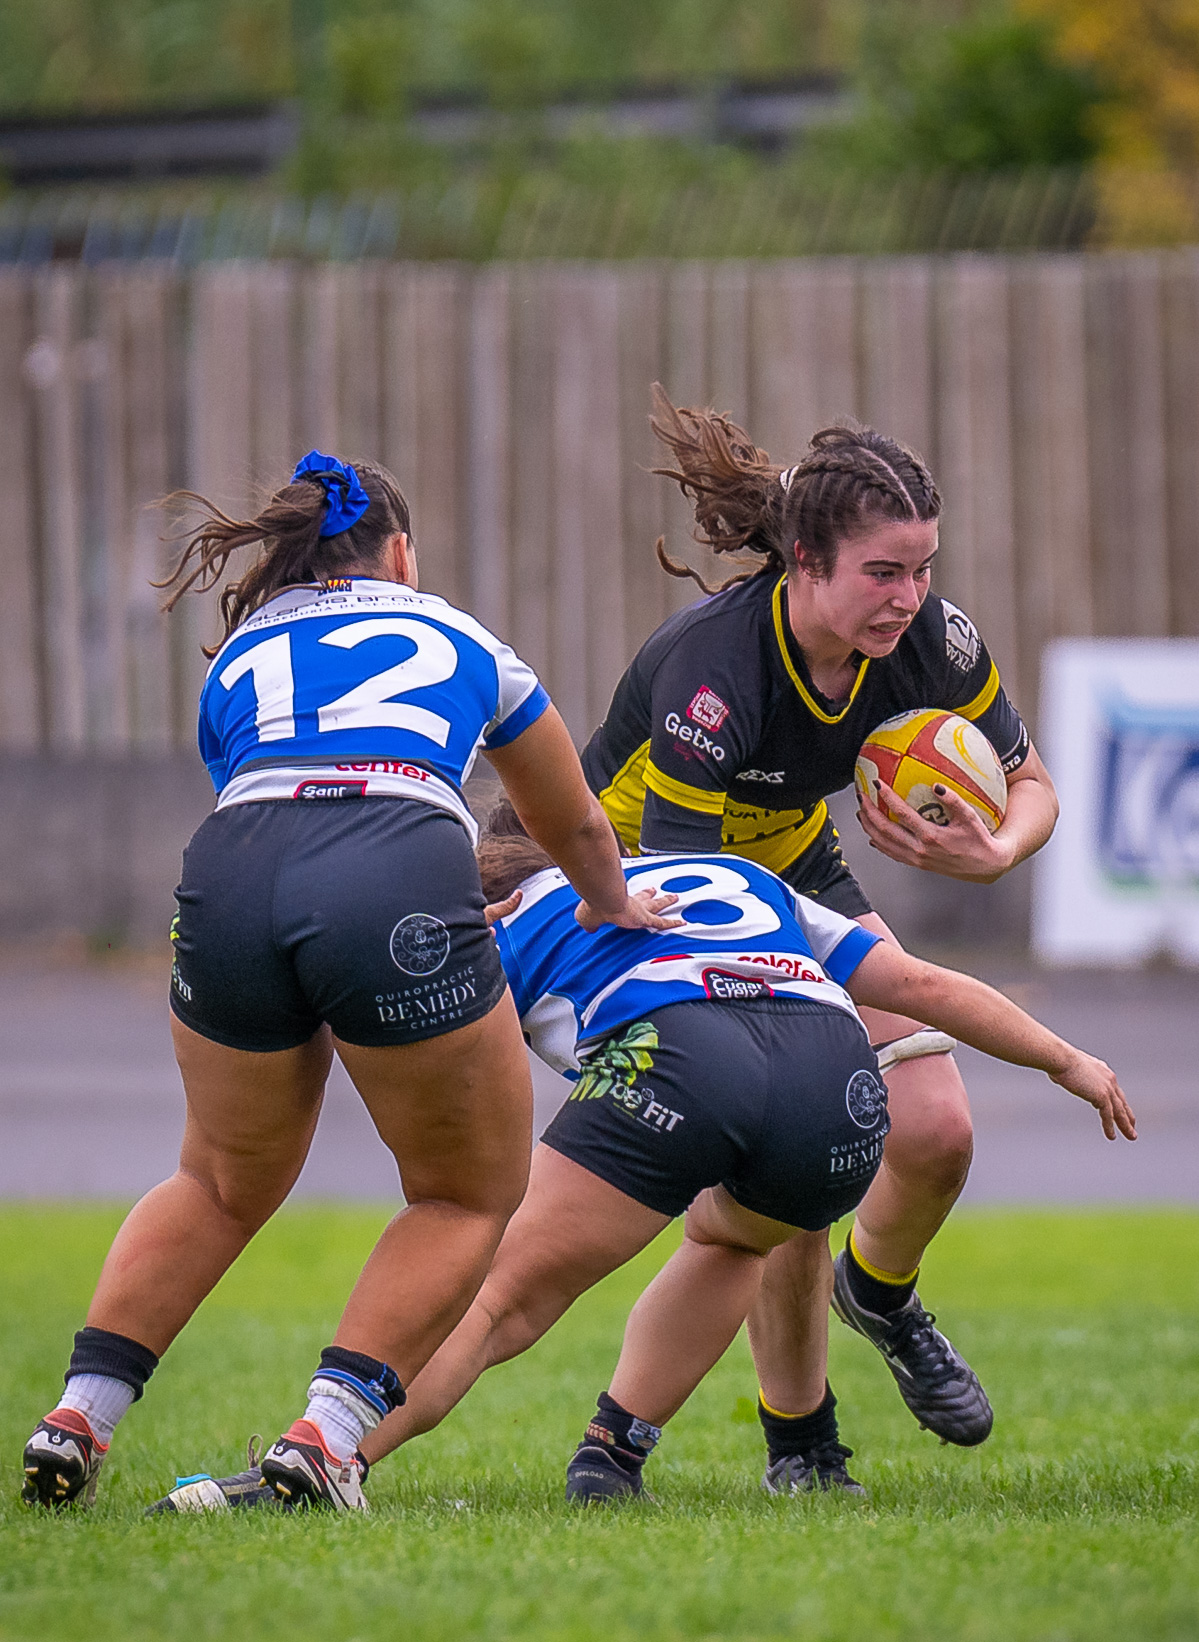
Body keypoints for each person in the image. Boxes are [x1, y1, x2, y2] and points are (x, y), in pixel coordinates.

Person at [21, 450, 673, 1514]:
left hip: (231, 874)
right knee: (467, 1191)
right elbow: (571, 820)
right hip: (392, 866)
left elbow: (265, 814)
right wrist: (610, 902)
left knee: (220, 1179)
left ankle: (79, 1415)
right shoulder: (458, 635)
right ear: (400, 553)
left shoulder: (237, 654)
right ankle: (324, 1440)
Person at [335, 817, 1131, 1508]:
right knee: (732, 1239)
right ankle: (611, 1454)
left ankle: (328, 1460)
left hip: (678, 1055)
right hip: (838, 1089)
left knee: (494, 1300)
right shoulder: (746, 877)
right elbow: (917, 982)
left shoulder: (508, 919)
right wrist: (1064, 1060)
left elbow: (422, 1050)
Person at [579, 387, 1061, 1452]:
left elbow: (1033, 788)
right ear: (802, 563)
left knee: (935, 1129)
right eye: (881, 573)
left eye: (921, 567)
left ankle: (880, 1296)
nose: (908, 597)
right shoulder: (718, 664)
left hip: (786, 859)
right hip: (632, 889)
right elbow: (682, 879)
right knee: (800, 1146)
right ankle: (797, 1444)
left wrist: (996, 849)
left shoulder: (929, 640)